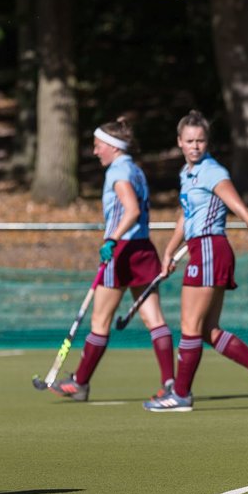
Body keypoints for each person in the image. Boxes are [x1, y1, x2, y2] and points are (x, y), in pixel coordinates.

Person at [142, 110, 248, 413]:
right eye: (190, 141)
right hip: (201, 249)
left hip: (210, 248)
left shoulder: (212, 172)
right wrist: (170, 250)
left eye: (201, 141)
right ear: (179, 142)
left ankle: (180, 394)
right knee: (209, 331)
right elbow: (186, 216)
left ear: (207, 142)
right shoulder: (187, 174)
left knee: (189, 326)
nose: (195, 146)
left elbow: (240, 208)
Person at [49, 117, 175, 402]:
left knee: (100, 320)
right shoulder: (135, 170)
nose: (95, 152)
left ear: (113, 147)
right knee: (154, 319)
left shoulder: (118, 172)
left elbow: (130, 210)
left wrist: (111, 240)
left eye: (98, 146)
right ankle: (171, 383)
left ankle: (80, 383)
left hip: (122, 252)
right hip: (143, 248)